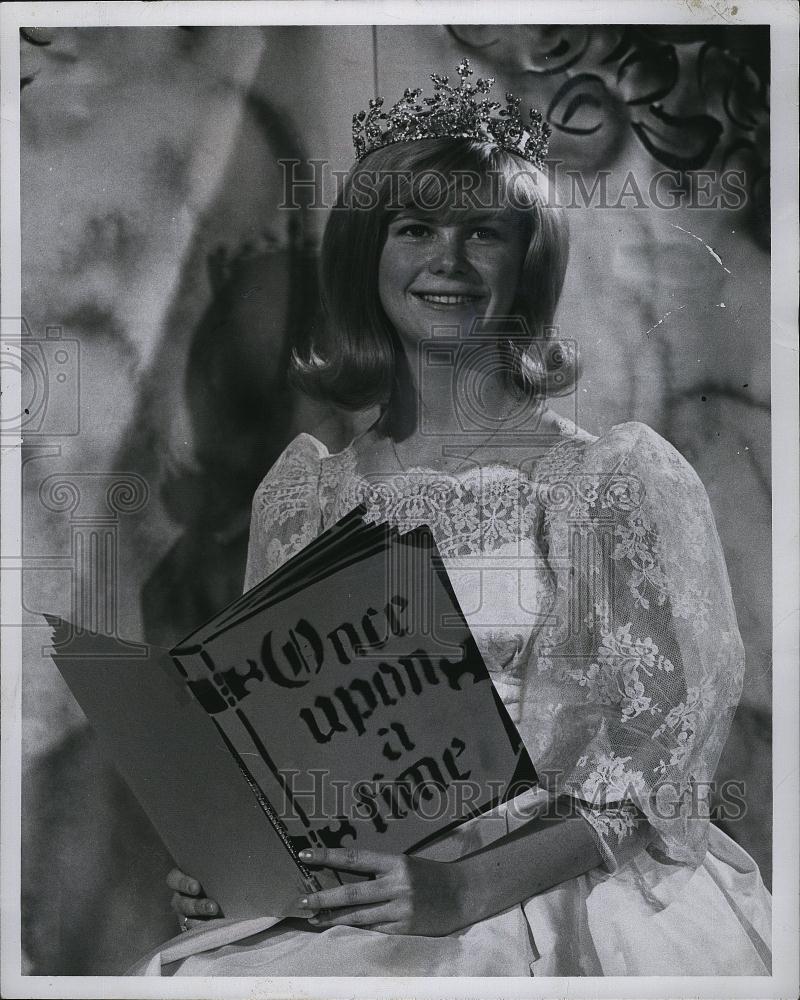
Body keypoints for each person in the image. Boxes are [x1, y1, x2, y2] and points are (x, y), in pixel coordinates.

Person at [131, 59, 772, 977]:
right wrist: (239, 864)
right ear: (367, 256)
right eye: (415, 228)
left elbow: (658, 761)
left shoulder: (608, 479)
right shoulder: (306, 494)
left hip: (559, 890)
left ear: (529, 260)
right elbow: (290, 748)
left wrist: (465, 890)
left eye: (486, 233)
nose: (450, 261)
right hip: (364, 888)